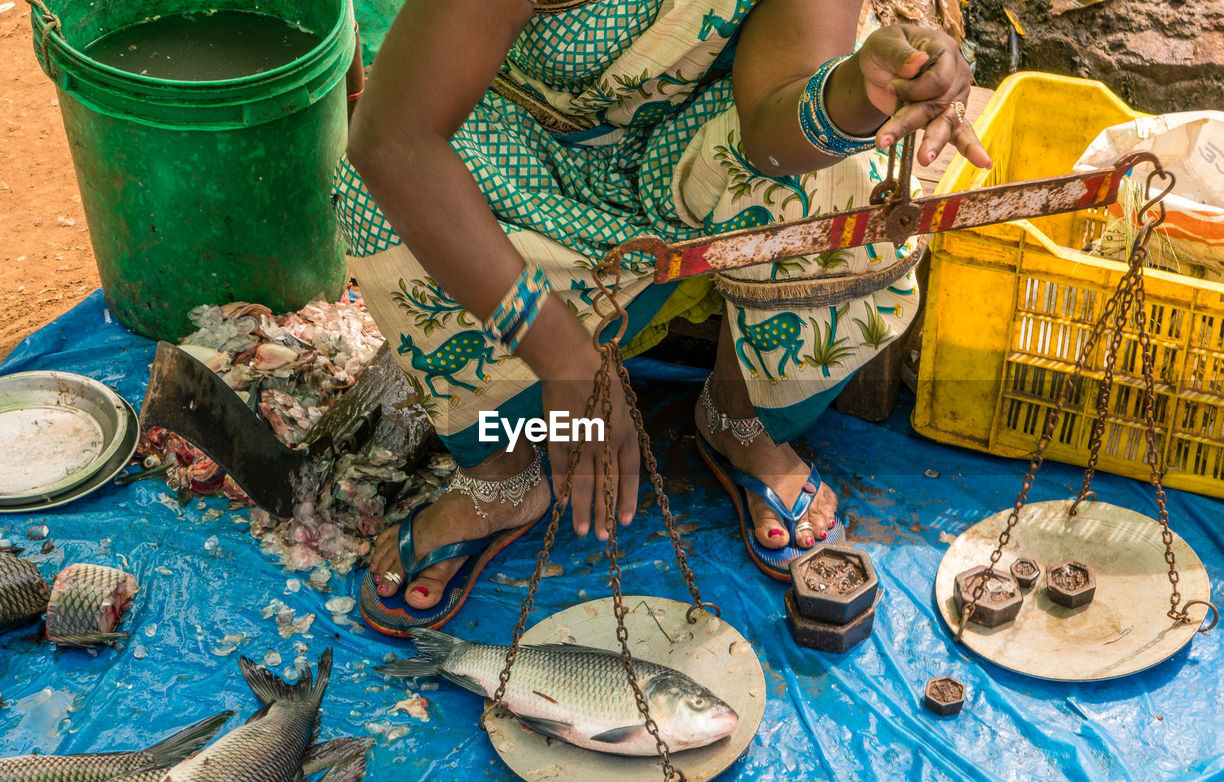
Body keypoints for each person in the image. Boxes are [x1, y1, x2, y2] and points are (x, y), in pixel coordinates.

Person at [336, 0, 991, 636]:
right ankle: (501, 479)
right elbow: (394, 138)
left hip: (710, 140)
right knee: (379, 202)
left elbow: (773, 120)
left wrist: (856, 91)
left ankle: (740, 418)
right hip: (529, 149)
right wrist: (566, 359)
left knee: (843, 175)